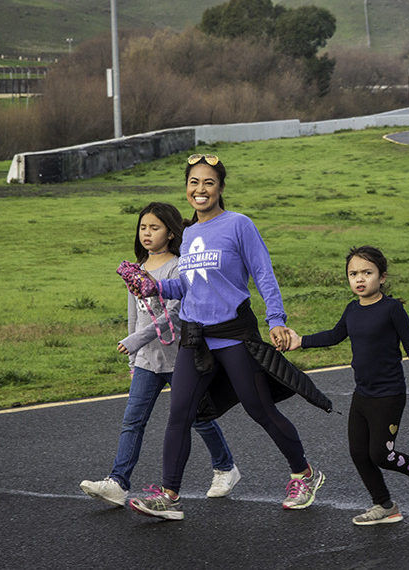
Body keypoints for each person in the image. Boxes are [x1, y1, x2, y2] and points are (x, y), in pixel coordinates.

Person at [126, 155, 332, 521]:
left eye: (208, 182)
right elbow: (188, 284)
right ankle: (169, 494)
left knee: (260, 409)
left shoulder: (239, 225)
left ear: (220, 187)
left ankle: (305, 474)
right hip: (195, 336)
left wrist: (277, 319)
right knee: (180, 415)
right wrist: (155, 285)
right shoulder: (188, 233)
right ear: (186, 189)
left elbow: (263, 273)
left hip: (233, 335)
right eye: (193, 182)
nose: (200, 189)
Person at [81, 202, 241, 508]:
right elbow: (134, 317)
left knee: (197, 419)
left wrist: (134, 340)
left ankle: (225, 468)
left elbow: (174, 315)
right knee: (132, 421)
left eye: (154, 228)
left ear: (170, 233)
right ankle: (118, 482)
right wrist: (133, 358)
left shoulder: (178, 268)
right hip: (146, 362)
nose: (147, 233)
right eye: (143, 227)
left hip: (180, 358)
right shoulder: (137, 271)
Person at [288, 246, 409, 526]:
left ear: (382, 277)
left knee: (381, 454)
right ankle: (384, 505)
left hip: (389, 395)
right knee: (359, 453)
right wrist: (302, 341)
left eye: (367, 273)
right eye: (353, 274)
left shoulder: (392, 309)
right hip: (362, 394)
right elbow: (335, 335)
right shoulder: (352, 309)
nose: (359, 279)